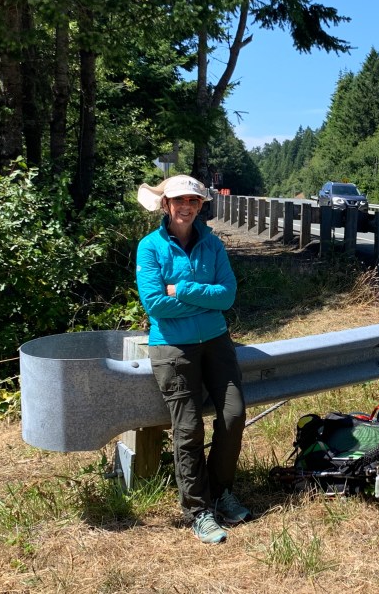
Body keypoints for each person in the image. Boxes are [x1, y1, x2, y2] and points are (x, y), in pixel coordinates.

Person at [135, 174, 249, 544]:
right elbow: (155, 304)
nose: (186, 207)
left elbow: (227, 296)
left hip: (216, 342)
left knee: (233, 415)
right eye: (179, 200)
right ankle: (199, 510)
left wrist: (182, 289)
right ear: (166, 204)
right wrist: (205, 299)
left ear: (200, 206)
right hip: (172, 347)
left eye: (194, 201)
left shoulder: (213, 244)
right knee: (188, 429)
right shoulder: (150, 247)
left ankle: (222, 491)